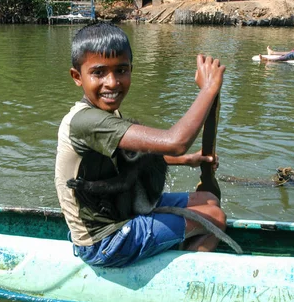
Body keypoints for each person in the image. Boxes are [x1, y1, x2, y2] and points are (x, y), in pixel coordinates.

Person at [55, 22, 227, 268]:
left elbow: (138, 157)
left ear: (131, 70)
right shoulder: (87, 121)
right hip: (104, 242)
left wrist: (187, 160)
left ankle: (172, 244)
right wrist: (209, 89)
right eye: (99, 72)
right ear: (77, 77)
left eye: (121, 70)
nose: (112, 83)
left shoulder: (105, 113)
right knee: (216, 218)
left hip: (122, 211)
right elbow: (174, 142)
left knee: (208, 199)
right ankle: (184, 274)